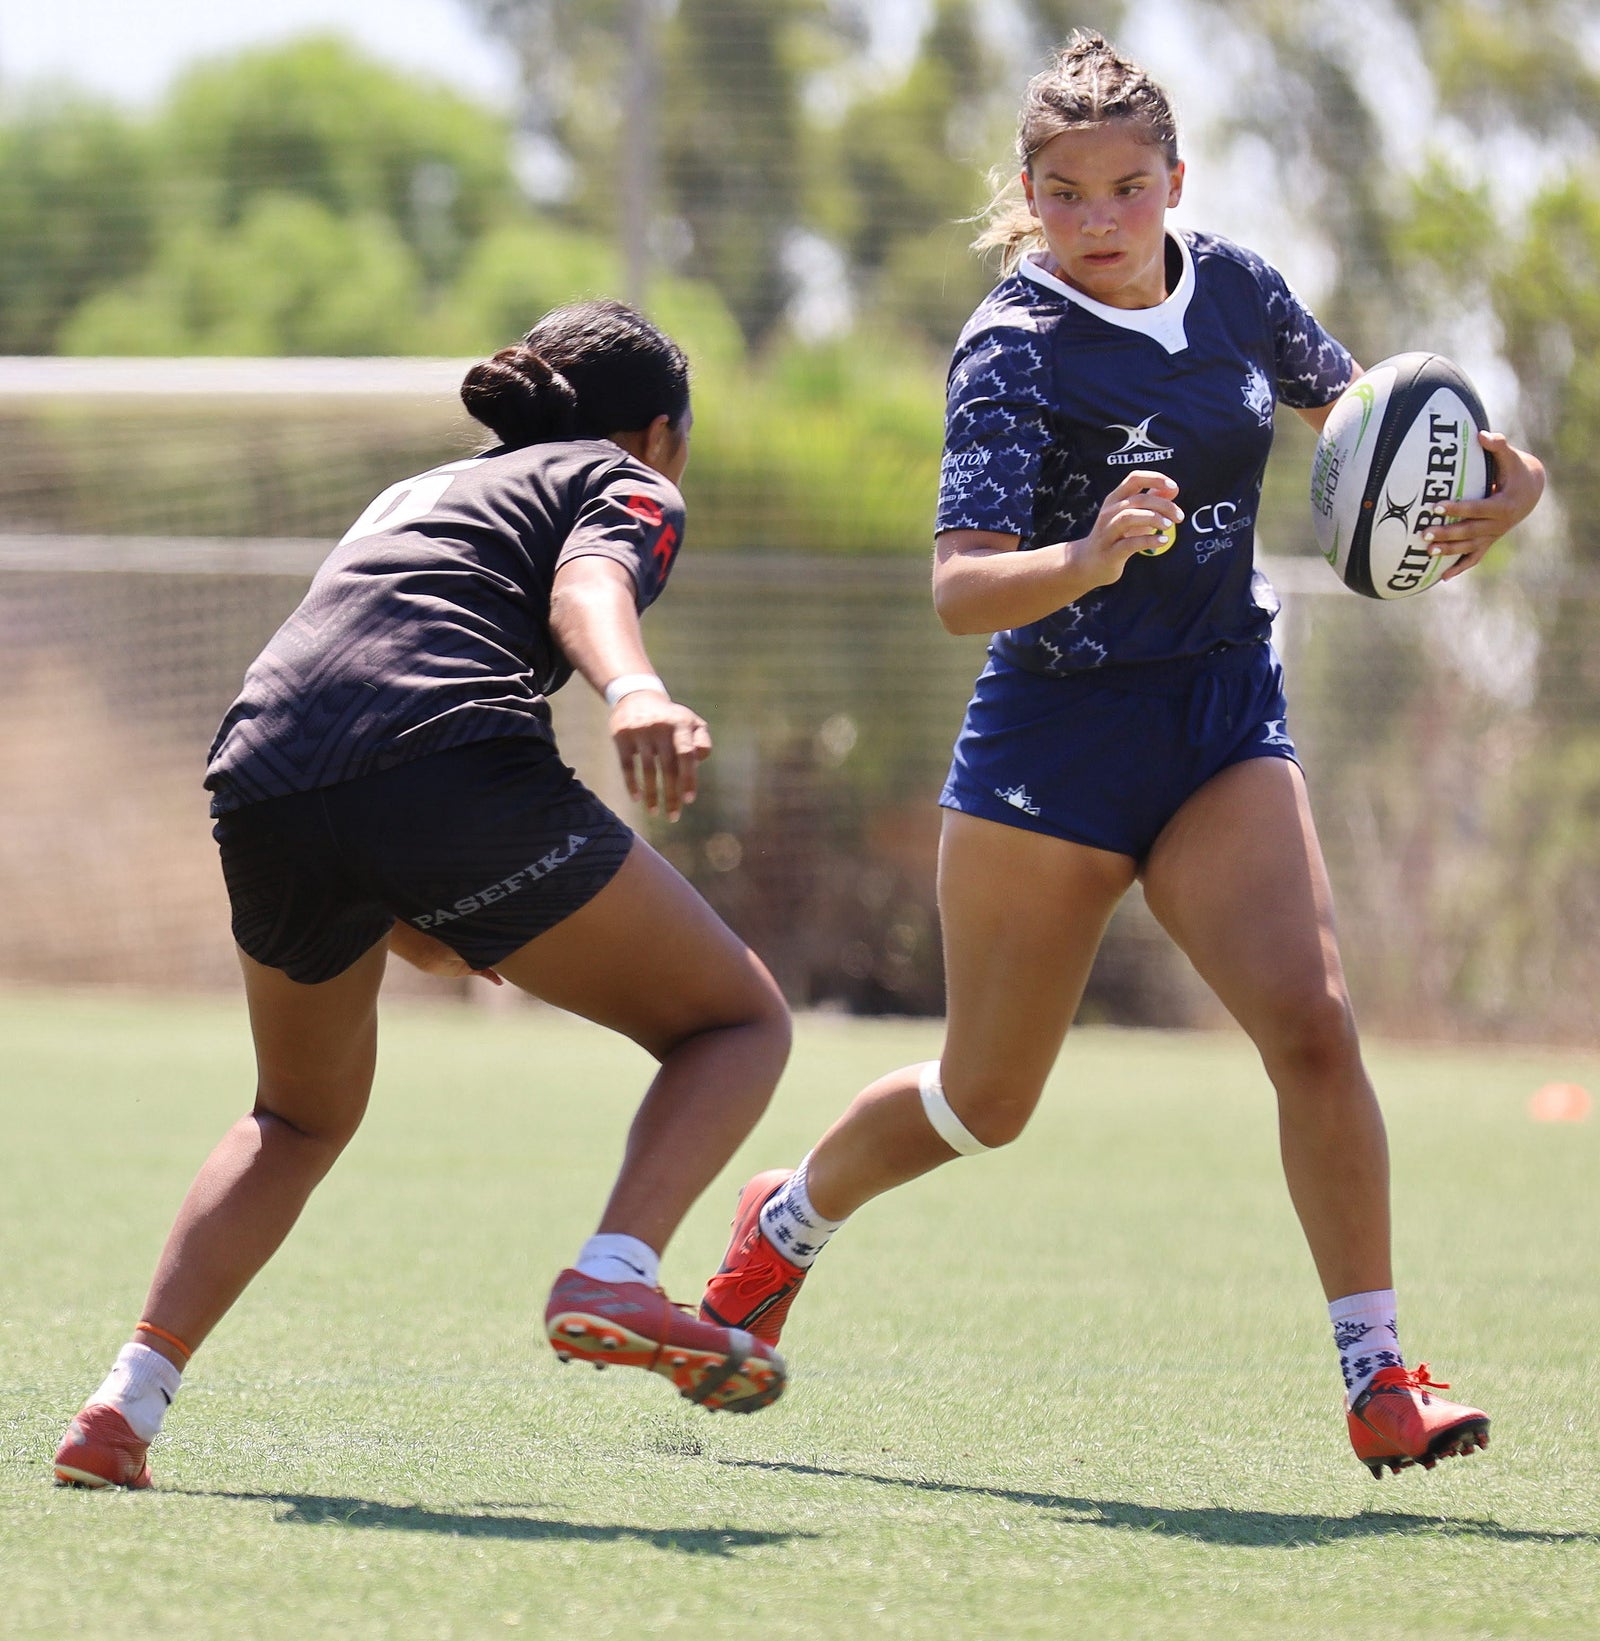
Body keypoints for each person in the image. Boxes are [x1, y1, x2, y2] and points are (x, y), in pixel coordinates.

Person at [700, 33, 1545, 1478]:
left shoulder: (1238, 289)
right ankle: (785, 1223)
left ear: (1175, 180)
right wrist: (1087, 556)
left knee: (1314, 1022)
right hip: (1055, 744)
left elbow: (1363, 423)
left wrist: (1499, 470)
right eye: (1067, 191)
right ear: (1027, 194)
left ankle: (1377, 1371)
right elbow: (962, 588)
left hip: (1221, 711)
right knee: (985, 1102)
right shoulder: (1012, 348)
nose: (1099, 219)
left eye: (1127, 187)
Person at [54, 299, 793, 1491]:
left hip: (261, 777)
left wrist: (423, 907)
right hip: (439, 751)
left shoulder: (419, 491)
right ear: (663, 432)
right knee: (736, 1022)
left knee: (295, 1116)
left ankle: (121, 1407)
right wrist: (635, 690)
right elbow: (588, 586)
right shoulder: (623, 474)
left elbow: (345, 669)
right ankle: (615, 1272)